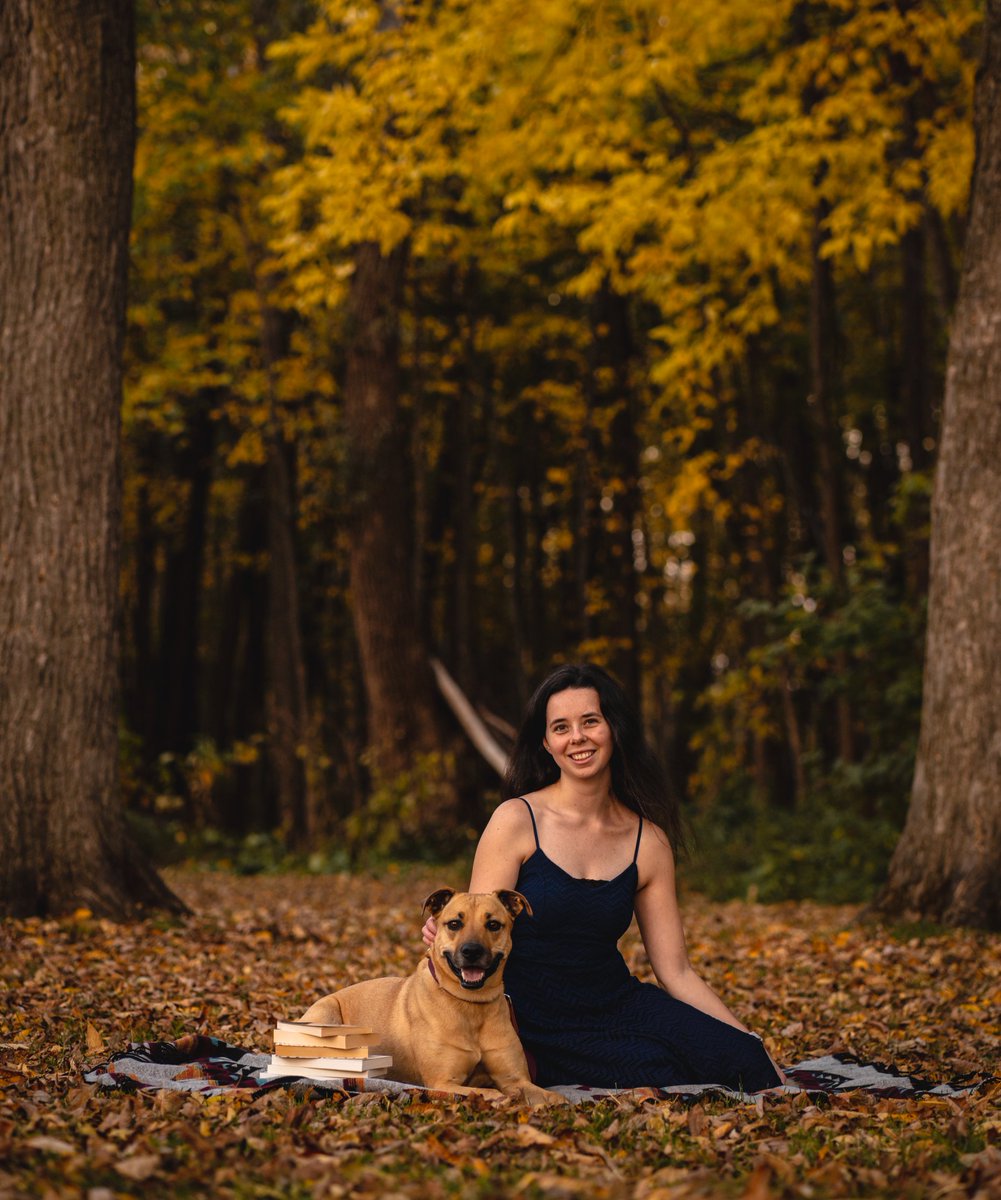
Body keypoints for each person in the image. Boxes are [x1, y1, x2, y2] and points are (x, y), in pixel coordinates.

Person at [423, 661, 784, 1092]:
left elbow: (676, 971)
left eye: (590, 721)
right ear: (546, 742)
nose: (577, 737)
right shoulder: (517, 820)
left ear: (613, 727)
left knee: (743, 1061)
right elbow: (478, 932)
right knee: (658, 1071)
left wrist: (749, 1040)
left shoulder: (648, 841)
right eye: (561, 727)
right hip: (531, 1015)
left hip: (615, 1001)